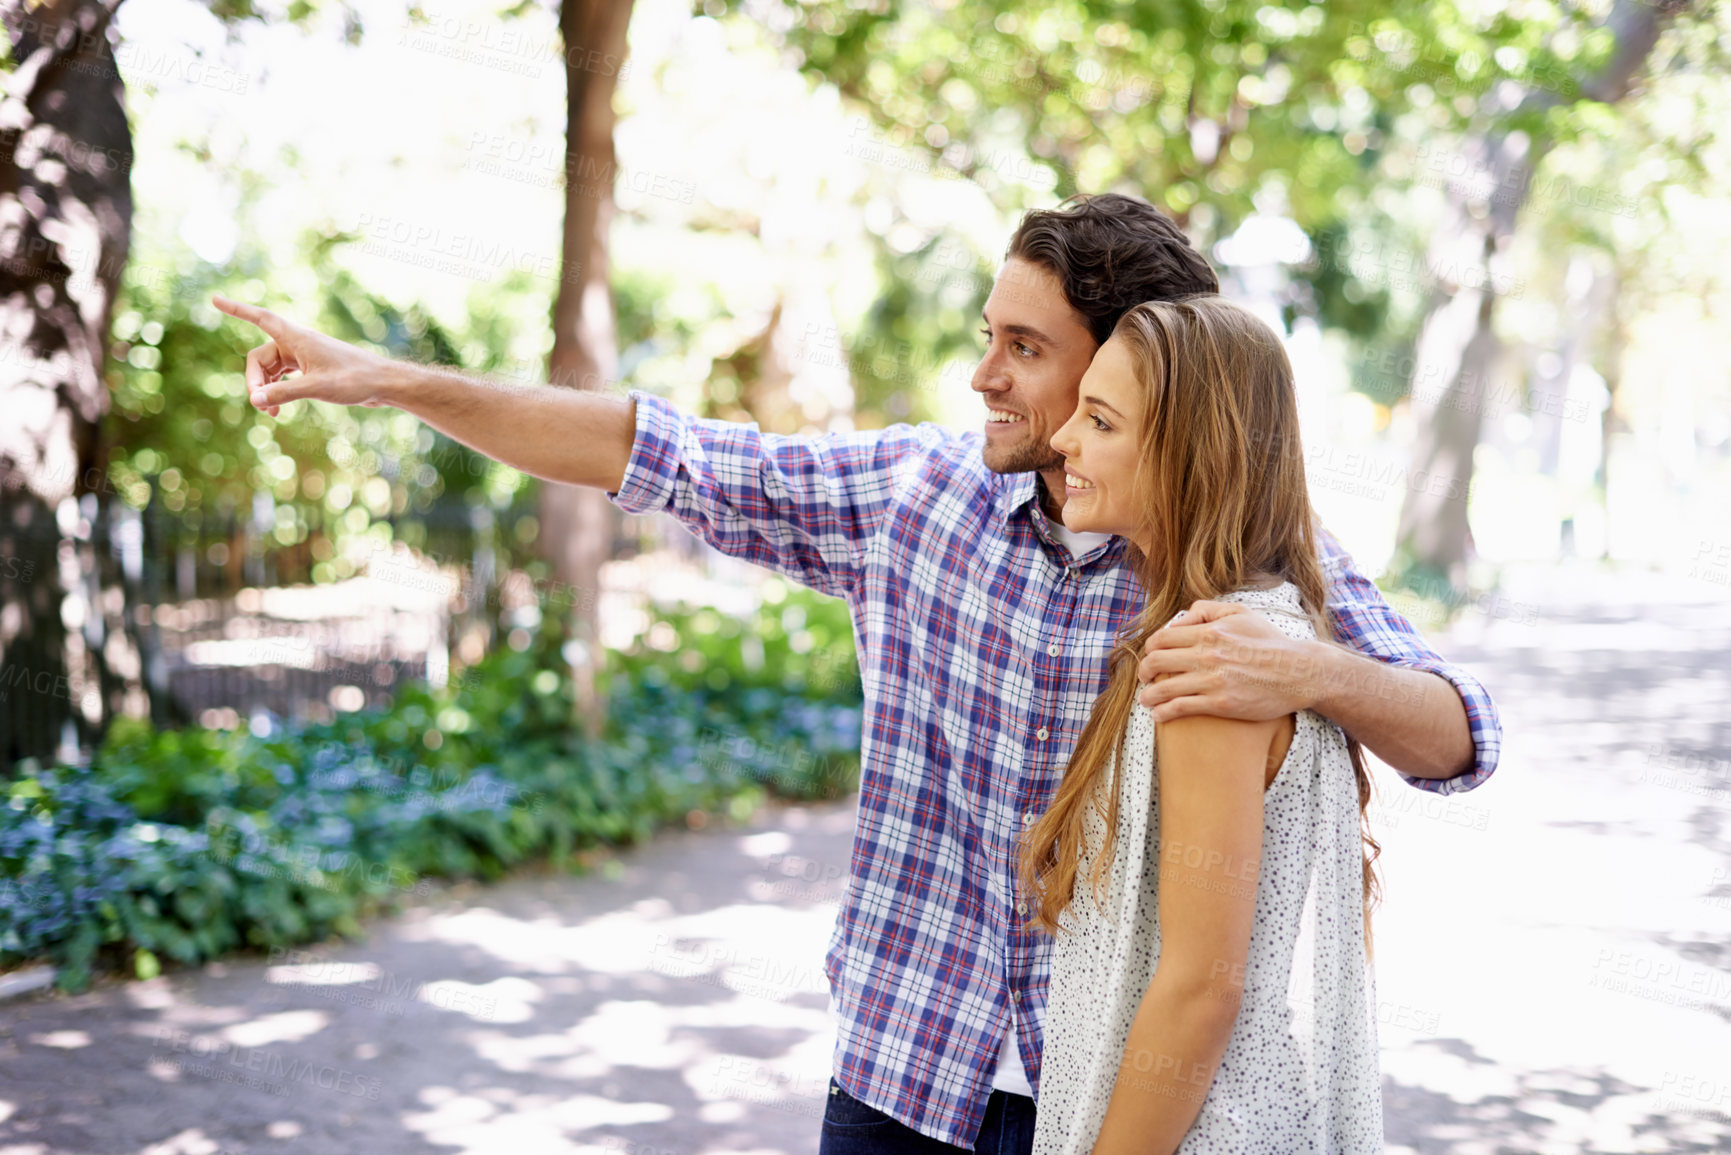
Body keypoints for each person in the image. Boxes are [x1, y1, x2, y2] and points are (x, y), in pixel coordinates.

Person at [215, 193, 1500, 1153]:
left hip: (1111, 1099)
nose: (984, 375)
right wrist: (389, 383)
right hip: (901, 1078)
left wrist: (1312, 672)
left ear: (1132, 365)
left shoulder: (1242, 569)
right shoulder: (913, 497)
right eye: (985, 336)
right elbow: (652, 452)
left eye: (1026, 349)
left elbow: (1458, 738)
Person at [1025, 296, 1381, 1154]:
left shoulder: (1215, 661)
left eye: (1100, 421)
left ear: (1189, 454)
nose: (1063, 439)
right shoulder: (1261, 630)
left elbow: (1201, 987)